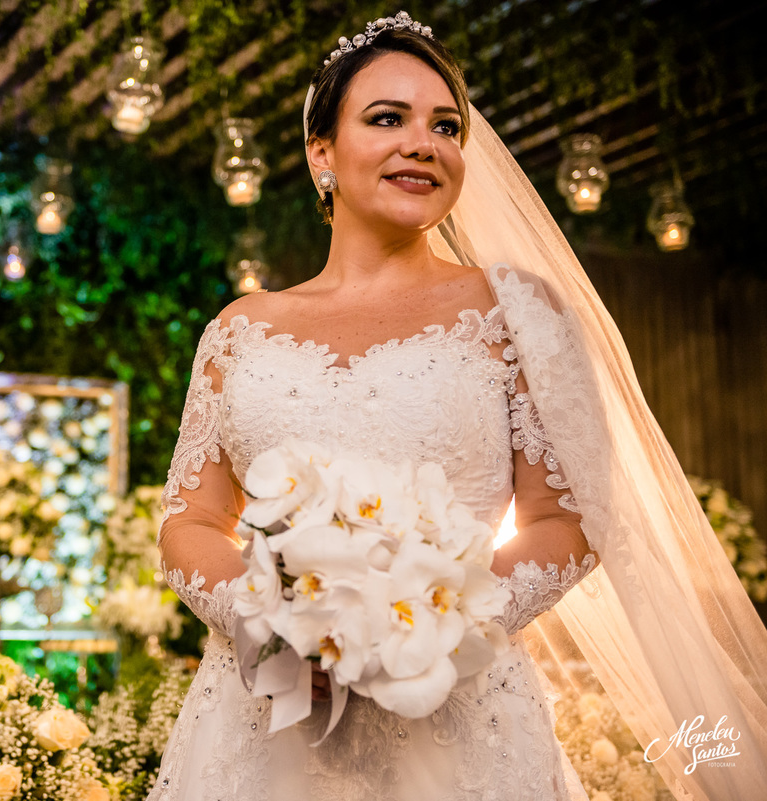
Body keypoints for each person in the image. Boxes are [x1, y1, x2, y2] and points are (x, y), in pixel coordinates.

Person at [149, 12, 767, 801]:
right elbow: (190, 519)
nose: (424, 143)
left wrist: (427, 631)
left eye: (445, 126)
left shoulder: (517, 315)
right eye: (387, 119)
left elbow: (569, 516)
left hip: (458, 724)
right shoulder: (239, 330)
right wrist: (260, 618)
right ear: (321, 154)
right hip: (263, 724)